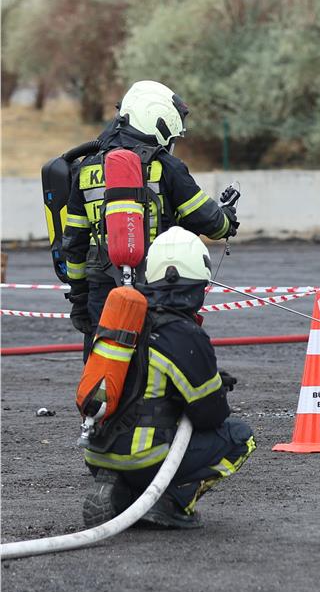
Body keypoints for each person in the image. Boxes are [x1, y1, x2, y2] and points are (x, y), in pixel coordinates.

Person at [82, 227, 255, 529]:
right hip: (144, 458)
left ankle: (122, 494)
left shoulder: (127, 318)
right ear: (199, 280)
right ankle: (171, 501)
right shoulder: (185, 334)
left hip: (97, 452)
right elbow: (209, 415)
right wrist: (213, 387)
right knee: (240, 438)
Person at [62, 80, 238, 356]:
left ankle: (100, 401)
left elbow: (74, 242)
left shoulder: (87, 168)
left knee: (104, 360)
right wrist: (227, 217)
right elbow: (211, 222)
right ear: (159, 120)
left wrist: (79, 297)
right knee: (158, 356)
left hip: (100, 287)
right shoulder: (166, 166)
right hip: (156, 283)